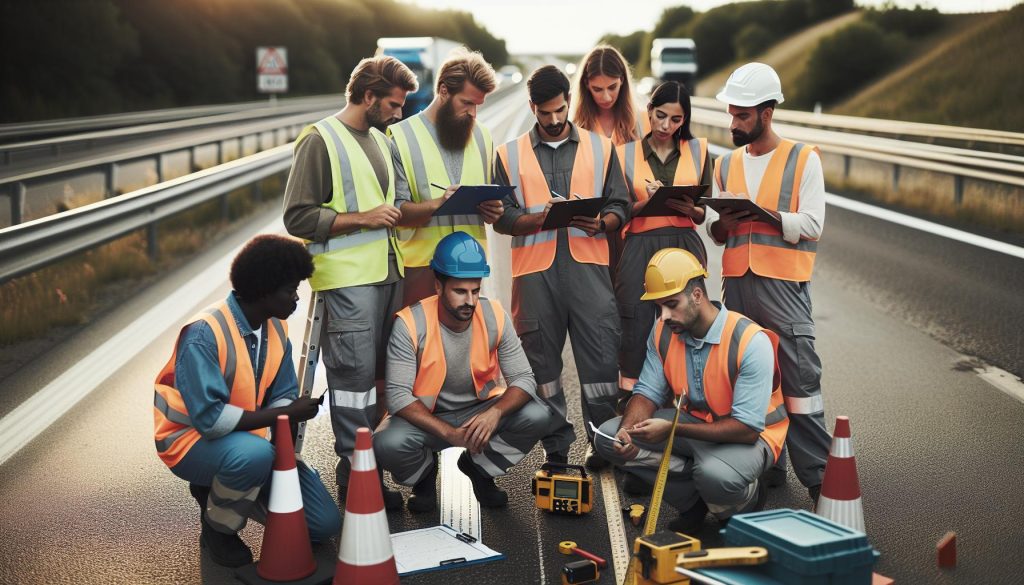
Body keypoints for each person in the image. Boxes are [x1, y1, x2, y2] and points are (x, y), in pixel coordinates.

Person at [153, 235, 341, 567]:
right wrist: (283, 415)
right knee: (253, 456)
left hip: (248, 443)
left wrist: (292, 410)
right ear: (264, 291)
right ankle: (218, 529)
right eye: (290, 290)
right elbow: (211, 422)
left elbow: (282, 394)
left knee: (324, 524)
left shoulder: (276, 328)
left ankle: (218, 489)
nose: (297, 297)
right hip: (189, 441)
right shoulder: (203, 334)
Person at [281, 55, 417, 508]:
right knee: (353, 382)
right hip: (347, 282)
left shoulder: (380, 140)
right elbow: (297, 216)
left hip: (386, 274)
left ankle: (364, 468)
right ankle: (356, 477)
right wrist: (363, 219)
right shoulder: (319, 140)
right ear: (368, 96)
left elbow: (389, 204)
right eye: (394, 104)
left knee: (378, 381)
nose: (399, 113)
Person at [594, 248, 789, 533]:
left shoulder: (749, 340)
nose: (664, 315)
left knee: (714, 474)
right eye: (659, 306)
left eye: (672, 304)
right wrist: (628, 429)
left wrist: (673, 429)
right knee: (608, 439)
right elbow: (647, 391)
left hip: (750, 437)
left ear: (697, 295)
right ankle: (692, 502)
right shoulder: (664, 331)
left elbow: (746, 428)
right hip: (697, 426)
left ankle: (744, 504)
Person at [493, 65, 630, 470]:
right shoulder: (508, 154)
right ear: (532, 107)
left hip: (590, 273)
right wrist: (539, 219)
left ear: (569, 101)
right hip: (536, 279)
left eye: (559, 110)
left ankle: (602, 441)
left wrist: (602, 222)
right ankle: (555, 450)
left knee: (601, 364)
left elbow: (619, 204)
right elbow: (500, 218)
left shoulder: (601, 148)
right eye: (544, 113)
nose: (553, 120)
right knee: (542, 368)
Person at [707, 62, 830, 504]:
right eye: (732, 114)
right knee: (748, 380)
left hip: (784, 287)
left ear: (767, 112)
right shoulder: (725, 163)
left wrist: (767, 217)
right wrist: (724, 223)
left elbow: (814, 223)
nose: (733, 123)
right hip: (736, 285)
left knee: (799, 386)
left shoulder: (803, 159)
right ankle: (766, 464)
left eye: (742, 116)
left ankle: (819, 479)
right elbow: (717, 234)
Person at [374, 232, 550, 511]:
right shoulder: (410, 323)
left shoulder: (493, 314)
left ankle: (479, 468)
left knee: (538, 413)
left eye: (475, 290)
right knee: (386, 442)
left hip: (478, 411)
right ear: (438, 286)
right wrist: (450, 433)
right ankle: (425, 474)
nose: (470, 300)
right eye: (460, 291)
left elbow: (525, 379)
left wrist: (495, 413)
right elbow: (397, 396)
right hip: (427, 416)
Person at [614, 81, 710, 413]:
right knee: (635, 328)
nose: (666, 126)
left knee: (686, 325)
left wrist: (691, 209)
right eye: (660, 116)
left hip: (684, 246)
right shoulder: (625, 153)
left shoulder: (699, 151)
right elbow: (619, 209)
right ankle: (630, 411)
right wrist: (645, 204)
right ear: (649, 110)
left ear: (685, 119)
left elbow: (703, 211)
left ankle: (683, 411)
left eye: (676, 119)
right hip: (639, 245)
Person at [388, 48, 504, 307]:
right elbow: (395, 212)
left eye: (478, 105)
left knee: (464, 347)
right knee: (421, 345)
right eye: (467, 103)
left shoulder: (484, 136)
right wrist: (439, 203)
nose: (473, 113)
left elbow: (489, 202)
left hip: (470, 271)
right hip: (420, 270)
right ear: (443, 91)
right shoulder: (400, 138)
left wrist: (494, 210)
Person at [570, 44, 650, 281]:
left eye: (612, 87)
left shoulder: (644, 122)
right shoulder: (575, 127)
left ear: (623, 82)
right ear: (586, 86)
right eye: (598, 89)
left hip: (637, 232)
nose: (606, 97)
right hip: (593, 234)